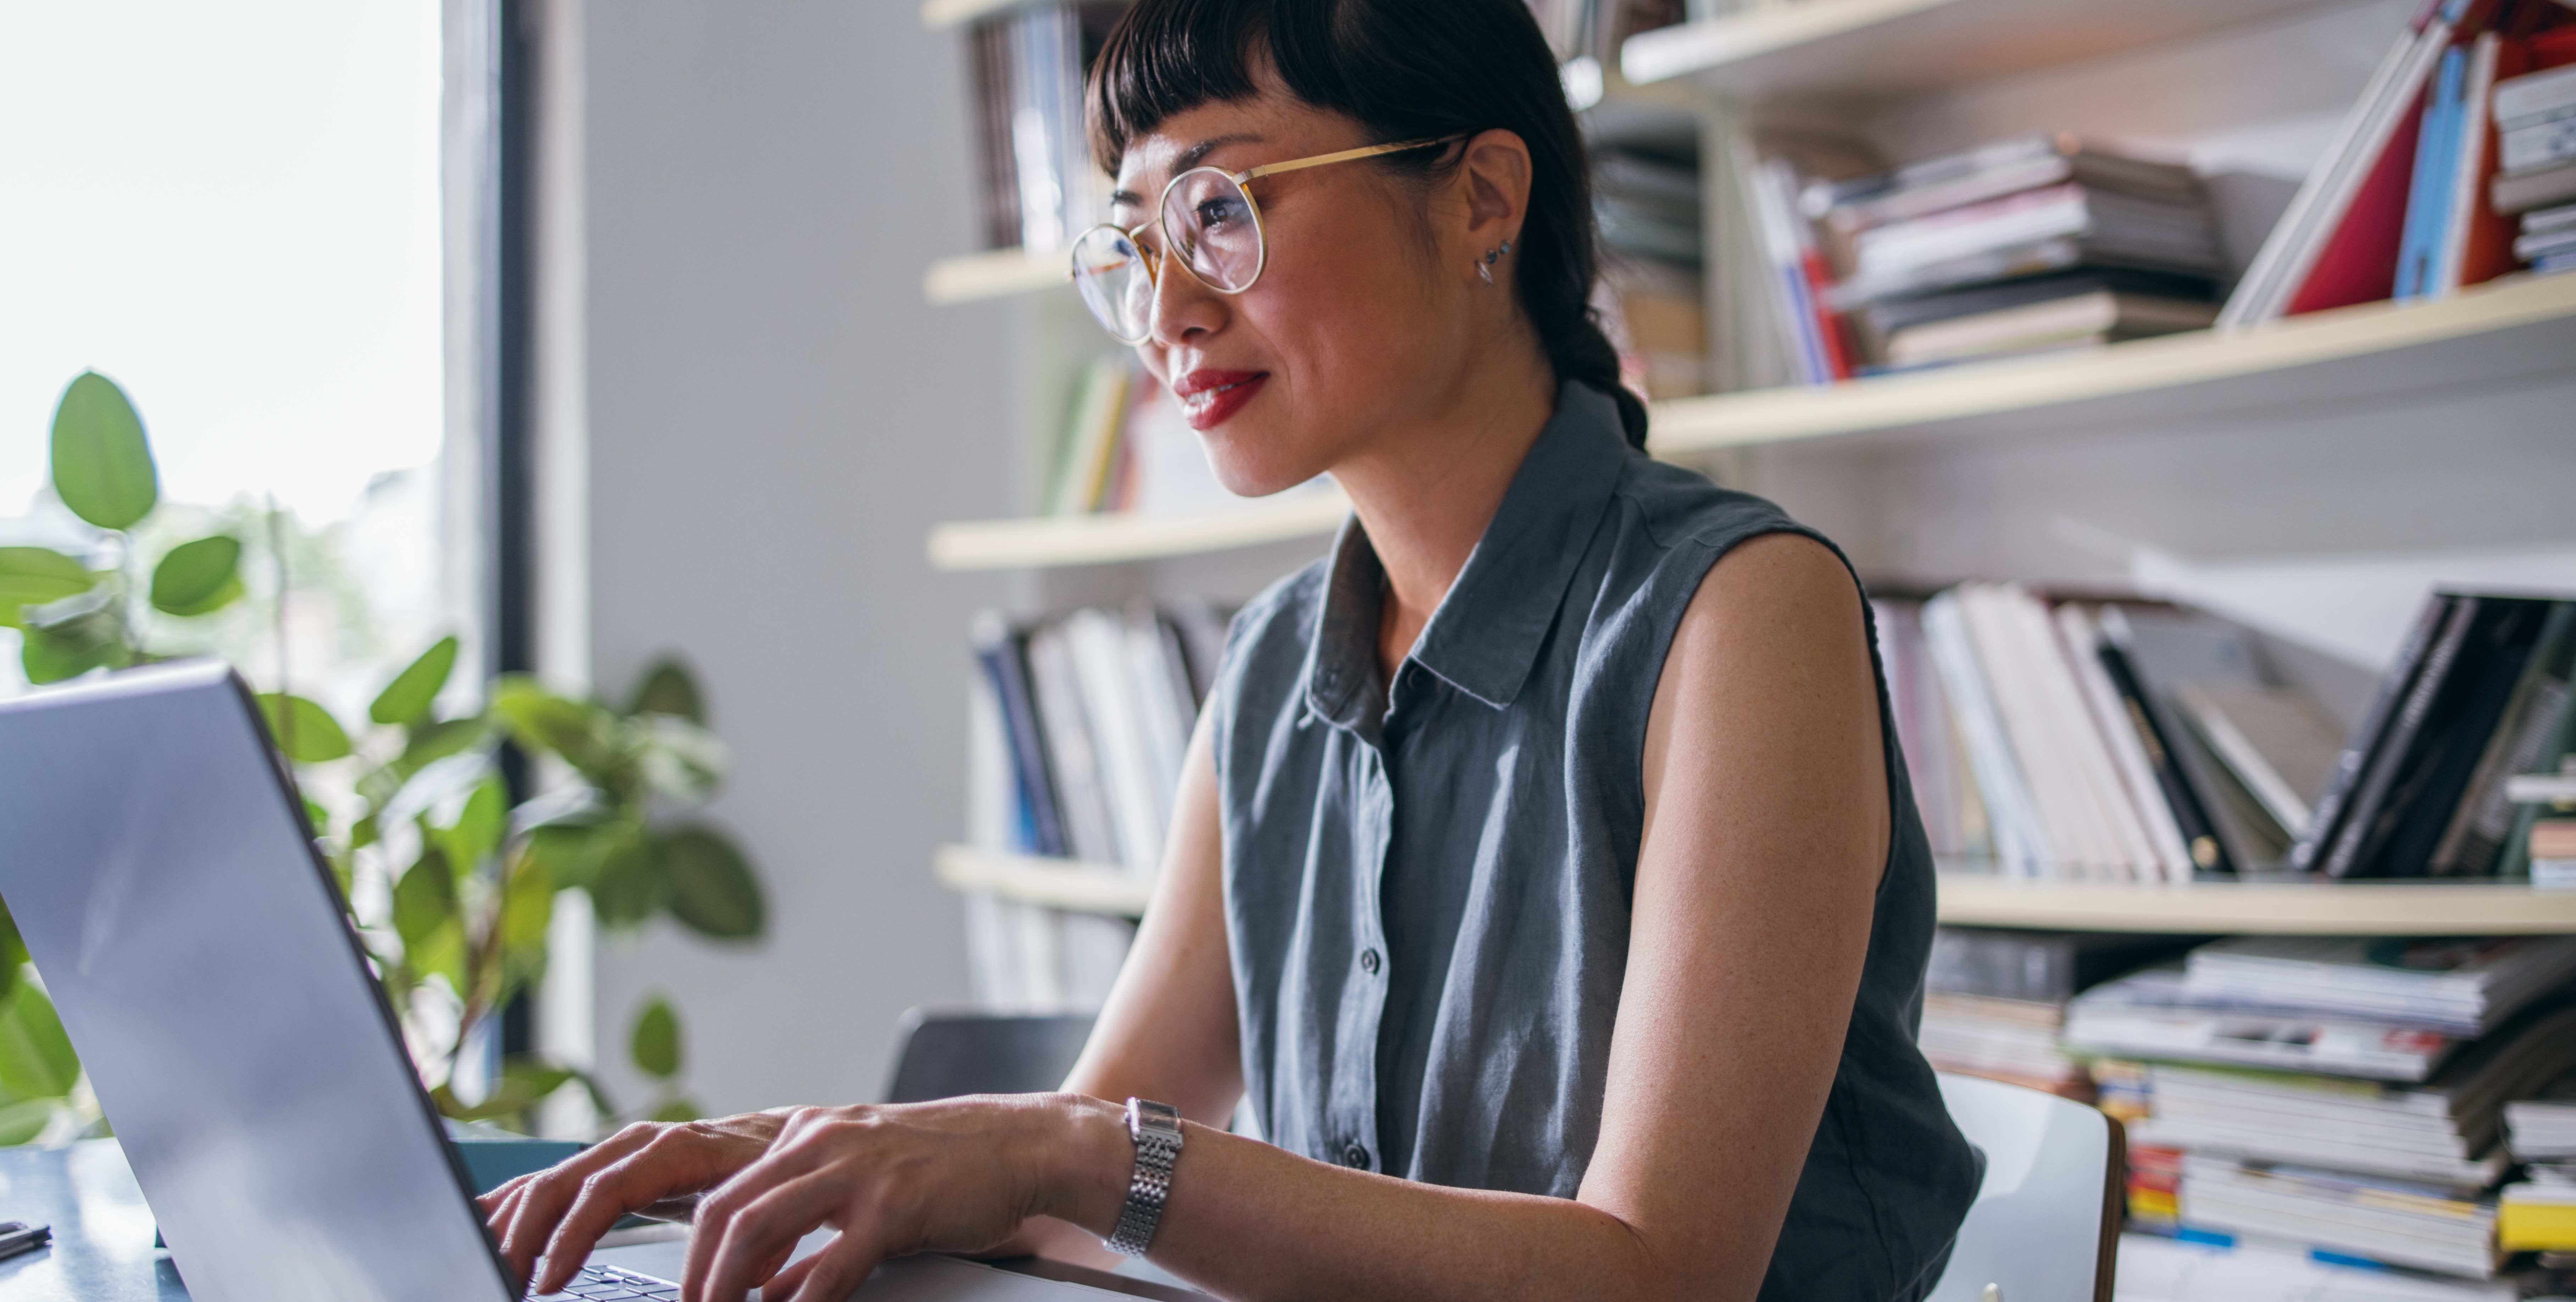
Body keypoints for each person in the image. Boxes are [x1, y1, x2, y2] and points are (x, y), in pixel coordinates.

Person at [484, 1, 1981, 1298]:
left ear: (1480, 201)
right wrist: (752, 1167)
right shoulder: (1275, 673)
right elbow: (1060, 1191)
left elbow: (1659, 1278)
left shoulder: (1740, 613)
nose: (1165, 311)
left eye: (1218, 209)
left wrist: (1082, 1154)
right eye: (1135, 242)